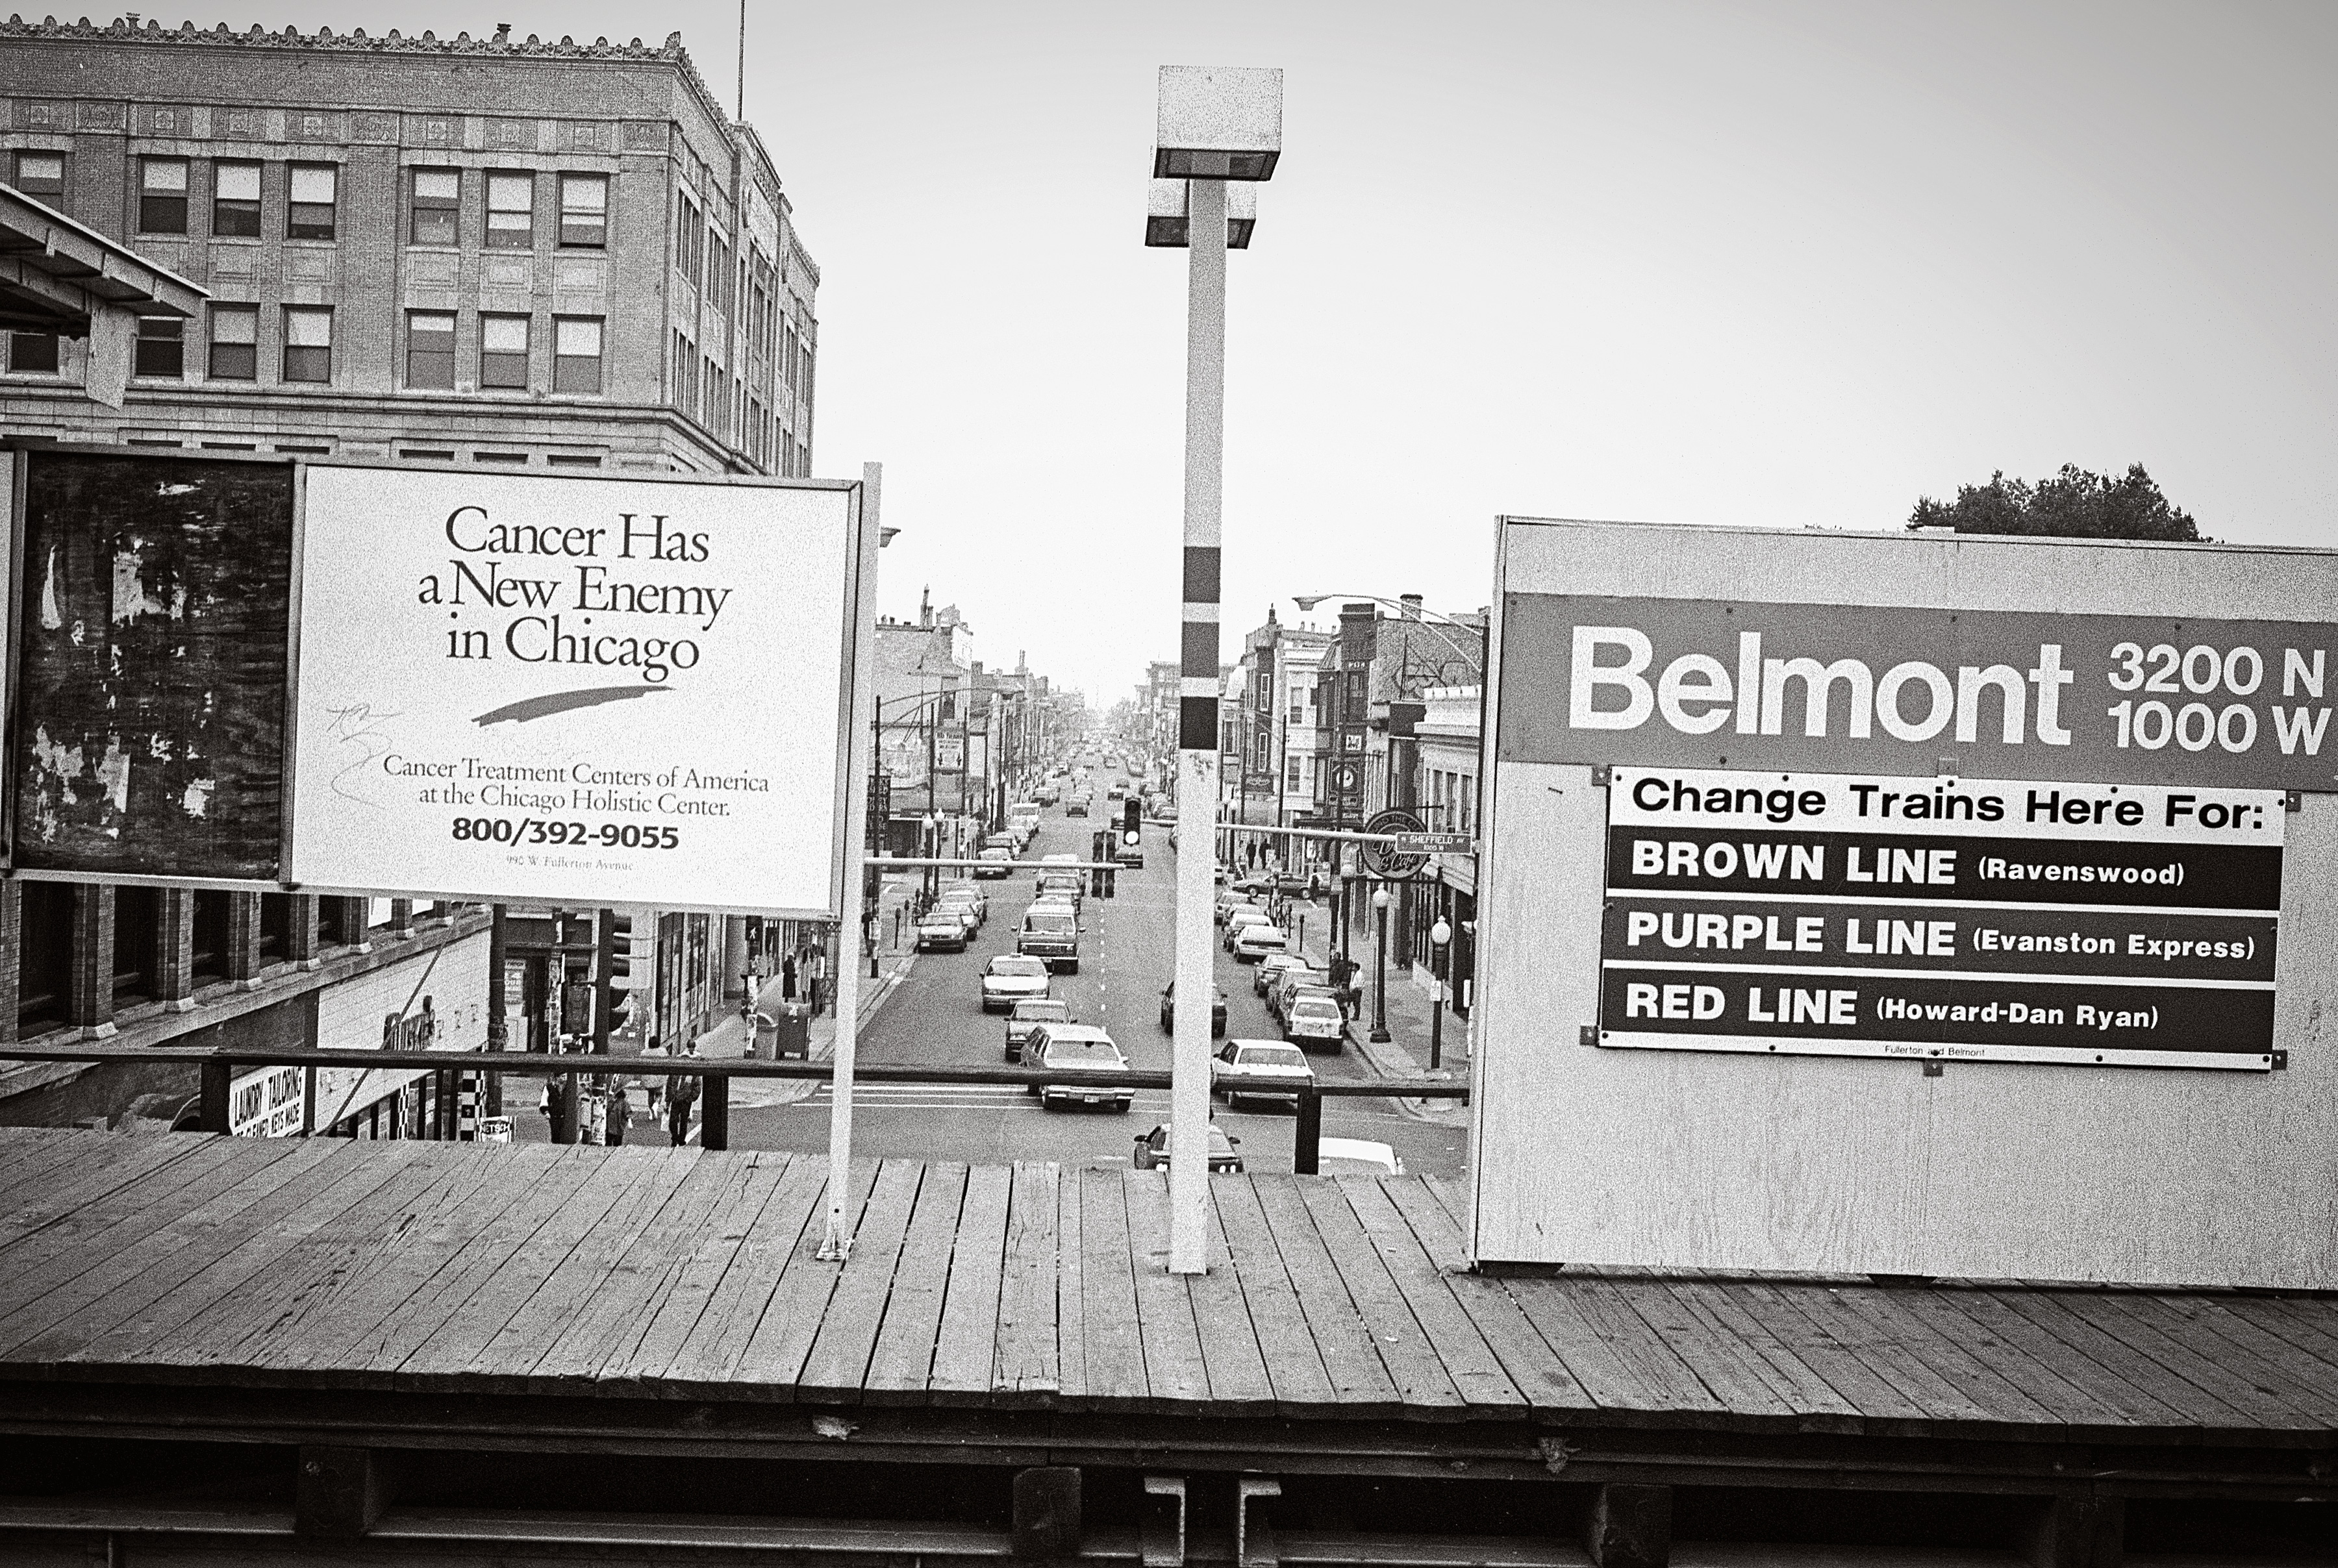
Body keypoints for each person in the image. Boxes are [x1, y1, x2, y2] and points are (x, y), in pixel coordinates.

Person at [668, 1045, 701, 1146]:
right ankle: (675, 1137)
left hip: (686, 1100)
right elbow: (670, 1085)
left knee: (683, 1121)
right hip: (676, 1099)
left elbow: (697, 1087)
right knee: (673, 1121)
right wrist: (669, 1098)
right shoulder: (675, 1073)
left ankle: (681, 1140)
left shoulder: (693, 1073)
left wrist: (691, 1098)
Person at [606, 1082, 631, 1147]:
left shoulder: (611, 1102)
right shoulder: (623, 1103)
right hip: (618, 1128)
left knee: (609, 1144)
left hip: (610, 1128)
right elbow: (628, 1112)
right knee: (617, 1144)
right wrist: (629, 1121)